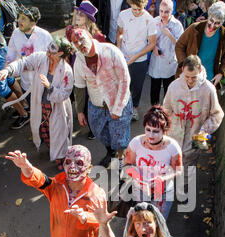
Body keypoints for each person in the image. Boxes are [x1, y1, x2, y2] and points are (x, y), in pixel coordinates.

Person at [0, 37, 74, 170]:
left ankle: (62, 163)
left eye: (52, 52)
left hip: (57, 108)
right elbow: (23, 63)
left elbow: (64, 94)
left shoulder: (67, 71)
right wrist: (8, 71)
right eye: (48, 50)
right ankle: (51, 150)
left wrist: (50, 87)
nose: (48, 54)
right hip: (40, 105)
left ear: (60, 53)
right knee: (44, 131)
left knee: (59, 136)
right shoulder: (41, 58)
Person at [66, 25, 133, 170]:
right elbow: (79, 87)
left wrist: (118, 107)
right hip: (96, 105)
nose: (80, 44)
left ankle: (121, 163)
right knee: (100, 134)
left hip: (118, 102)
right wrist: (80, 111)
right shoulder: (79, 61)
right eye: (75, 42)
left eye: (81, 39)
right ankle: (111, 153)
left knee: (120, 139)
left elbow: (125, 80)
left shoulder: (111, 51)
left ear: (90, 36)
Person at [163, 55, 224, 169]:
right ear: (182, 70)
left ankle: (186, 187)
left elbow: (217, 114)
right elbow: (165, 110)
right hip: (173, 136)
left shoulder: (208, 89)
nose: (190, 80)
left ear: (200, 71)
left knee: (189, 171)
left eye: (194, 77)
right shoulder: (174, 86)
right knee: (169, 168)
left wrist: (204, 130)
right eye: (187, 77)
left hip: (194, 137)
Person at [123, 105, 183, 219]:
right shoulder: (136, 143)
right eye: (148, 129)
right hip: (140, 190)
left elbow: (178, 170)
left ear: (164, 131)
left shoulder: (172, 147)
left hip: (163, 192)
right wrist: (139, 179)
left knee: (159, 222)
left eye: (156, 131)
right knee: (143, 220)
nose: (150, 135)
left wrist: (162, 179)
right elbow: (127, 166)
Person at [6, 4, 53, 127]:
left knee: (46, 110)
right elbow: (10, 54)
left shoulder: (45, 36)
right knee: (33, 108)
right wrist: (8, 69)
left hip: (43, 82)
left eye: (23, 19)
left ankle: (48, 131)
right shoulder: (16, 34)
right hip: (26, 82)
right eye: (19, 17)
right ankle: (38, 130)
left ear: (33, 22)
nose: (19, 21)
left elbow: (54, 57)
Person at [175, 1, 225, 87]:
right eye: (211, 20)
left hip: (208, 80)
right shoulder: (194, 28)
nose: (212, 26)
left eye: (217, 23)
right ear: (208, 16)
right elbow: (179, 46)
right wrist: (184, 65)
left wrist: (221, 73)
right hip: (189, 77)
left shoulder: (224, 35)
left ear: (222, 23)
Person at [117, 0, 157, 121]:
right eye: (134, 9)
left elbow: (152, 43)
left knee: (137, 86)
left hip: (140, 60)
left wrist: (136, 56)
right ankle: (122, 108)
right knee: (124, 84)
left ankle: (134, 108)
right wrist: (118, 49)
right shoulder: (123, 15)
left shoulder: (150, 20)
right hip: (124, 56)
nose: (137, 12)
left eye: (140, 9)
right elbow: (119, 33)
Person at [0, 0, 29, 130]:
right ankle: (24, 105)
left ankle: (23, 114)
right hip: (0, 47)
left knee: (0, 85)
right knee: (8, 78)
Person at [72, 1, 105, 140]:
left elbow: (103, 58)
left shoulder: (98, 37)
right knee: (80, 96)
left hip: (92, 74)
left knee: (91, 100)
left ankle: (94, 128)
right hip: (77, 69)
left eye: (81, 14)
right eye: (77, 13)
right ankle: (83, 116)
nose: (77, 16)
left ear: (88, 18)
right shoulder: (72, 32)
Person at [148, 0, 184, 106]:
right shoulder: (154, 22)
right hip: (156, 62)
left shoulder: (177, 25)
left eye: (166, 12)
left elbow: (180, 45)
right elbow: (148, 38)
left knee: (168, 91)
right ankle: (154, 112)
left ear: (172, 11)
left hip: (170, 63)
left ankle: (166, 113)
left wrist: (170, 35)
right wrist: (153, 47)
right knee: (154, 90)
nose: (163, 15)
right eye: (161, 11)